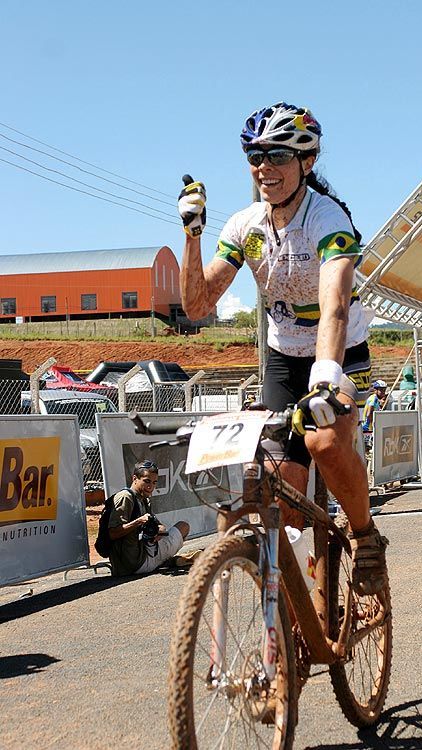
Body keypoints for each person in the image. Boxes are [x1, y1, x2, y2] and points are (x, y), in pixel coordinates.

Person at [177, 102, 388, 596]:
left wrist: (327, 378)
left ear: (306, 162)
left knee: (325, 442)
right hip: (280, 357)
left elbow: (334, 307)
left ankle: (366, 536)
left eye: (277, 155)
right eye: (254, 156)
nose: (264, 168)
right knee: (284, 493)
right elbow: (197, 303)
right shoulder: (245, 226)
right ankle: (295, 619)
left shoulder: (327, 219)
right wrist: (192, 234)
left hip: (337, 350)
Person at [108, 460, 189, 576]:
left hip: (146, 551)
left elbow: (159, 525)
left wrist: (160, 530)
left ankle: (165, 561)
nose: (150, 486)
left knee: (182, 527)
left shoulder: (143, 498)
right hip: (135, 563)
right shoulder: (125, 497)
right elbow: (112, 533)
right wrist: (138, 522)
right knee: (183, 527)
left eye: (154, 482)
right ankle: (165, 561)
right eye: (146, 481)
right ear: (134, 478)